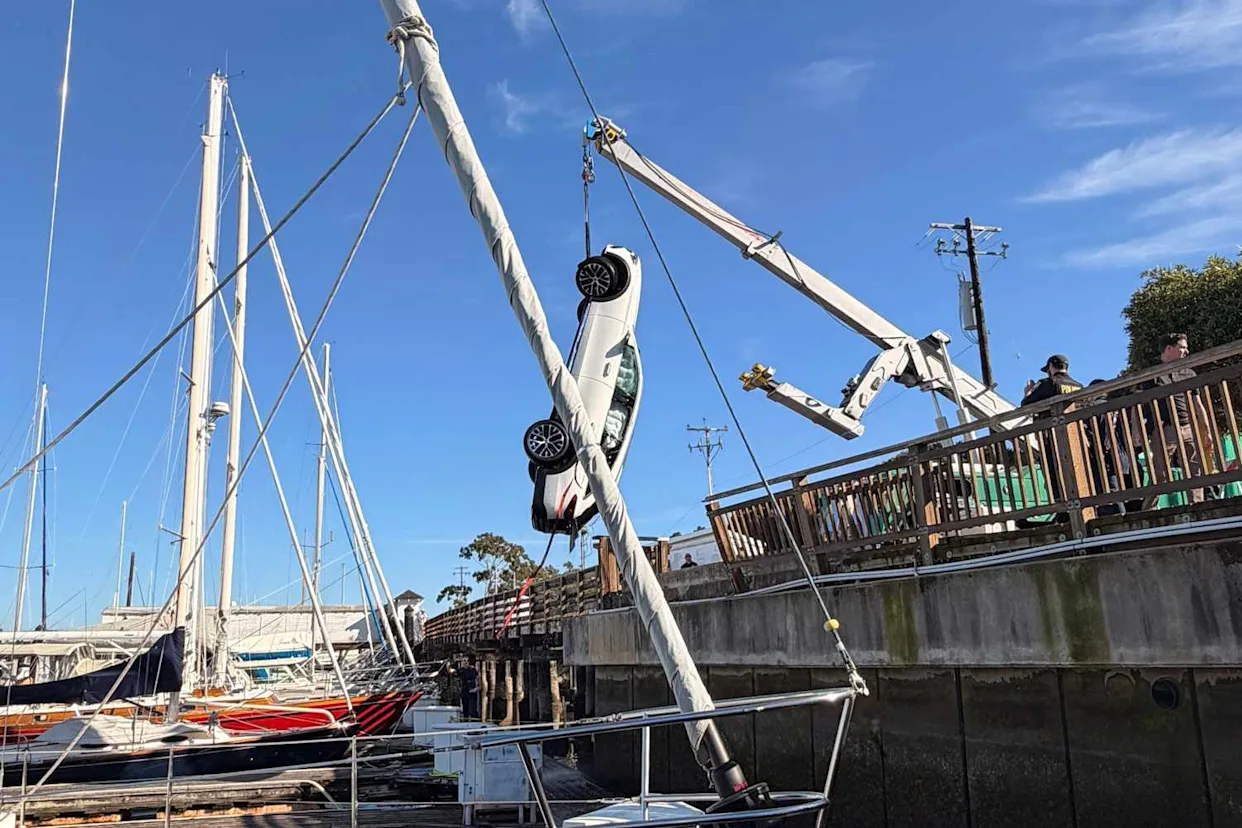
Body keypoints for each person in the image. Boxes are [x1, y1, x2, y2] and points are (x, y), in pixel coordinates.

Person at [1138, 333, 1213, 509]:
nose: (1186, 351)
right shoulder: (1152, 375)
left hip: (1188, 425)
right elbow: (1140, 405)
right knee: (1160, 472)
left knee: (1195, 468)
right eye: (1182, 347)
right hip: (1165, 428)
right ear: (1169, 349)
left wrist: (1206, 429)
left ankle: (1197, 505)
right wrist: (1138, 432)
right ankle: (1149, 508)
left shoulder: (1188, 373)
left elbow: (1197, 403)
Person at [1020, 355, 1084, 514]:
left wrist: (1028, 393)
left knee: (1053, 473)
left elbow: (1026, 406)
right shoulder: (1078, 385)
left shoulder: (1049, 384)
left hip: (1053, 437)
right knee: (1078, 471)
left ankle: (1062, 511)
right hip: (1077, 437)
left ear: (1050, 367)